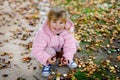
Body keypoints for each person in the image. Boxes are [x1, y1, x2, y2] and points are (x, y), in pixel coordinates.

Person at [31, 6, 78, 77]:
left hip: (62, 50)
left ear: (65, 22)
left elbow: (70, 46)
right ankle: (46, 64)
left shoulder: (67, 31)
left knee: (74, 43)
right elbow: (36, 50)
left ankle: (67, 59)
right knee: (49, 51)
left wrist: (67, 57)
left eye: (61, 22)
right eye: (54, 22)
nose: (58, 26)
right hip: (50, 53)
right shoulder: (43, 33)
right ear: (49, 22)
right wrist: (47, 58)